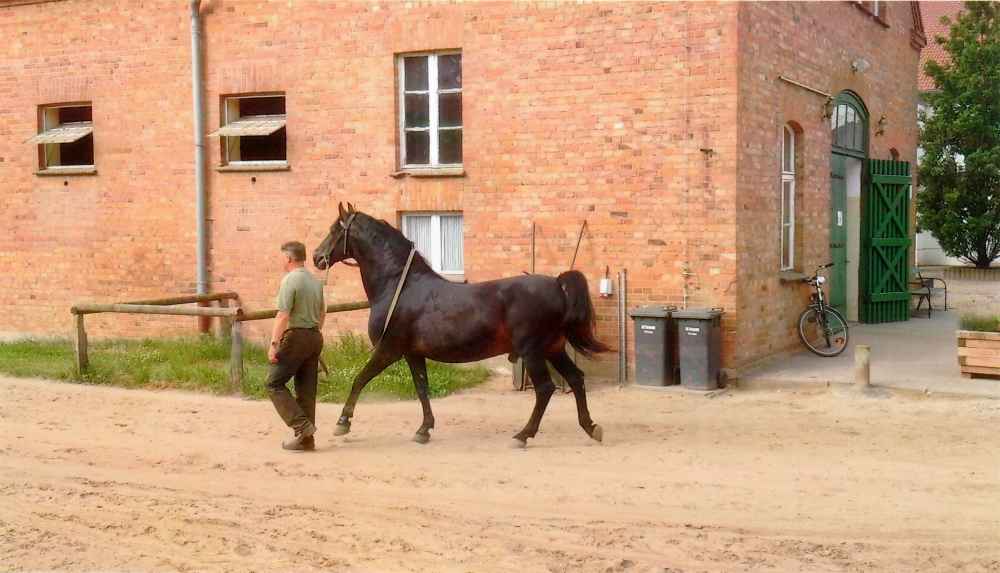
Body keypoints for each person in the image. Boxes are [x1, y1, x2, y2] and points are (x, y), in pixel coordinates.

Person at [266, 241, 325, 451]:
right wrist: (314, 335)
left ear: (289, 258)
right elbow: (322, 314)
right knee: (306, 390)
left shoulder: (290, 280)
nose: (282, 261)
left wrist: (274, 344)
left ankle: (302, 427)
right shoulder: (315, 282)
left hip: (296, 337)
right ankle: (306, 441)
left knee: (273, 383)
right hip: (314, 336)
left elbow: (282, 315)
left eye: (282, 257)